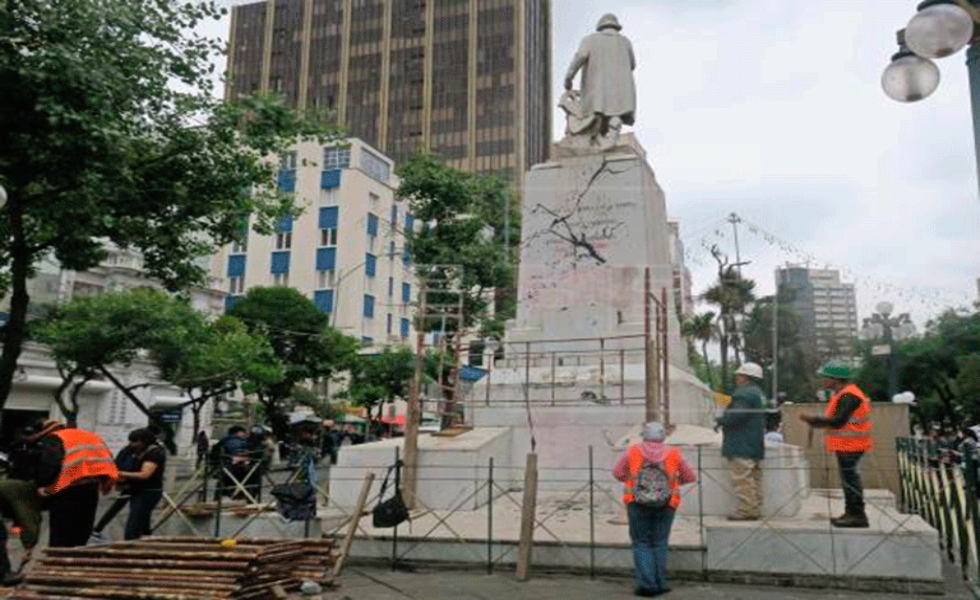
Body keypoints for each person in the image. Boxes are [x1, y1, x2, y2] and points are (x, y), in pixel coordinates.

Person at [614, 422, 696, 598]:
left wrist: (635, 483)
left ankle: (646, 585)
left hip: (637, 503)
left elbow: (618, 472)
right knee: (659, 542)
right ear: (663, 436)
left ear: (644, 435)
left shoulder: (633, 451)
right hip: (667, 503)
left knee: (641, 542)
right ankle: (660, 583)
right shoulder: (674, 453)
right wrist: (669, 485)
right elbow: (689, 476)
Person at [14, 420, 117, 547]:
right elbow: (106, 457)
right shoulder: (90, 436)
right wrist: (105, 480)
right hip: (91, 487)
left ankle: (58, 557)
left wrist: (43, 485)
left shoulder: (56, 438)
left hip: (67, 488)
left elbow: (51, 463)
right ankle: (76, 555)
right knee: (82, 528)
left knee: (62, 531)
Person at [800, 361, 873, 528]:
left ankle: (857, 515)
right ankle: (852, 513)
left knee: (850, 480)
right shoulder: (843, 395)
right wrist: (817, 423)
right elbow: (836, 421)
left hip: (851, 444)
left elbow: (839, 421)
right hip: (847, 444)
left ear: (835, 378)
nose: (823, 381)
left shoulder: (849, 396)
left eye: (825, 377)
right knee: (848, 479)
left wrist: (815, 420)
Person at [563, 13, 637, 149]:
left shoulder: (590, 40)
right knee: (615, 113)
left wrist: (569, 76)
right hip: (619, 88)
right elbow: (632, 64)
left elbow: (580, 56)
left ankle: (599, 141)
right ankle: (609, 139)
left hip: (597, 87)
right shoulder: (625, 42)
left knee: (598, 111)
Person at [716, 362, 767, 521]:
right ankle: (755, 507)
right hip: (754, 443)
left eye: (739, 375)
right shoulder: (759, 393)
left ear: (746, 377)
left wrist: (720, 419)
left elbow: (736, 416)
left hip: (741, 443)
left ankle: (747, 510)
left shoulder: (743, 394)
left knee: (742, 478)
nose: (737, 378)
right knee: (754, 477)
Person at [116, 428, 166, 540]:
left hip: (148, 492)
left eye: (135, 441)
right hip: (137, 491)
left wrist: (120, 473)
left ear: (144, 441)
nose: (132, 444)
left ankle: (130, 547)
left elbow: (145, 474)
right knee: (142, 524)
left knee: (134, 526)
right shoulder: (137, 451)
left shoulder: (154, 453)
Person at [90, 436, 143, 543]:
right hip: (130, 483)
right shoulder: (134, 451)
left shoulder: (127, 449)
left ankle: (97, 529)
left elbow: (117, 463)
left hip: (127, 482)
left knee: (118, 507)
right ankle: (97, 530)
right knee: (134, 511)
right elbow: (124, 465)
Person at [0, 479, 42, 585]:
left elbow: (17, 515)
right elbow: (28, 520)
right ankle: (3, 575)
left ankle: (4, 573)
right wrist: (29, 545)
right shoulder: (25, 490)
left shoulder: (20, 485)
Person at [213, 426, 250, 499]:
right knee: (234, 486)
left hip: (225, 467)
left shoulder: (225, 440)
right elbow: (236, 452)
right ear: (237, 433)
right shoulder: (234, 441)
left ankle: (218, 500)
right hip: (233, 467)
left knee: (224, 486)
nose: (244, 434)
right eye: (242, 432)